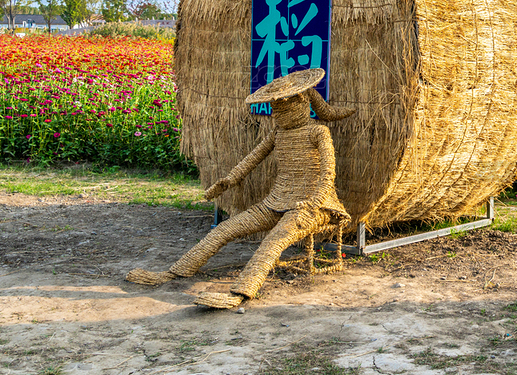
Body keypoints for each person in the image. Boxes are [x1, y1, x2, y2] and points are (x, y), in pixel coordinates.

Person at [126, 68, 353, 309]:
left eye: (285, 106)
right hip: (275, 203)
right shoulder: (278, 133)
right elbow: (252, 158)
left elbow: (328, 173)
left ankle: (242, 292)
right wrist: (229, 180)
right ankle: (174, 272)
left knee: (274, 240)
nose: (280, 112)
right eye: (276, 108)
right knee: (225, 229)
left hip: (316, 206)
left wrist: (314, 203)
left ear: (302, 102)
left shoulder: (318, 131)